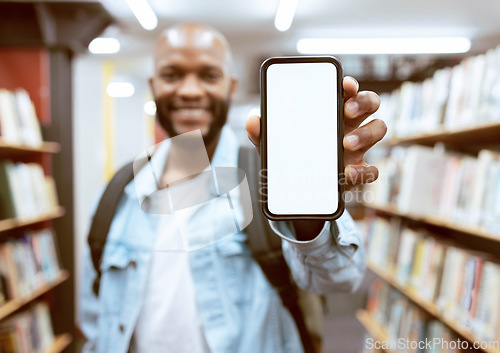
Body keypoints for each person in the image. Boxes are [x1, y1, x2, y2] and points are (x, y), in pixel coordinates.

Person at [79, 22, 387, 353]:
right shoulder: (117, 194)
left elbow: (339, 277)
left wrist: (310, 208)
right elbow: (96, 326)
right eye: (172, 75)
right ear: (153, 85)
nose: (190, 90)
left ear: (232, 86)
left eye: (209, 75)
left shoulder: (264, 180)